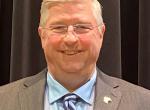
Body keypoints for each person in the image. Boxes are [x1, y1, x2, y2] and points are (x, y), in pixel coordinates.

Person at [0, 0, 150, 110]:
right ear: (42, 35)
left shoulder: (144, 103)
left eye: (82, 27)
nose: (70, 39)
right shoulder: (4, 100)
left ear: (101, 33)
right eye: (59, 27)